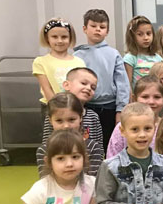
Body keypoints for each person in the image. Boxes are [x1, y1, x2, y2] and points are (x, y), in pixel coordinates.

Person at [74, 9, 130, 142]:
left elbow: (122, 84)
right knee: (86, 143)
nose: (98, 29)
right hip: (85, 108)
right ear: (85, 28)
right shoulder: (77, 56)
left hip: (109, 108)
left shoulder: (114, 54)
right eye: (93, 26)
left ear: (107, 31)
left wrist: (120, 110)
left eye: (102, 27)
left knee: (109, 142)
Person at [37, 93, 104, 177]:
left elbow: (94, 179)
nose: (66, 126)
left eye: (71, 119)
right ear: (50, 121)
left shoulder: (93, 147)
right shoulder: (44, 150)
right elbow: (46, 179)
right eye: (59, 121)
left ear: (80, 117)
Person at [41, 67, 104, 150]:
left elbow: (99, 147)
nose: (89, 88)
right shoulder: (54, 113)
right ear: (66, 85)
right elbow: (46, 145)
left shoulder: (93, 116)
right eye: (84, 83)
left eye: (93, 87)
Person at [106, 76, 163, 158]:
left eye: (157, 97)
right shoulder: (123, 126)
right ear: (134, 98)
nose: (151, 101)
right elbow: (112, 155)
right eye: (145, 97)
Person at [33, 18, 86, 108]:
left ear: (70, 38)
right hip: (51, 107)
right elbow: (46, 89)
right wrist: (58, 109)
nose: (60, 41)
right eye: (54, 37)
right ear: (47, 38)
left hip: (75, 107)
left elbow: (82, 88)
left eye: (64, 37)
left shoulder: (79, 62)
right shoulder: (40, 62)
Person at [123, 15, 163, 87]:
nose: (146, 38)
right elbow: (127, 84)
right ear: (132, 37)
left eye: (148, 33)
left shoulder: (159, 59)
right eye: (140, 34)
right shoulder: (130, 58)